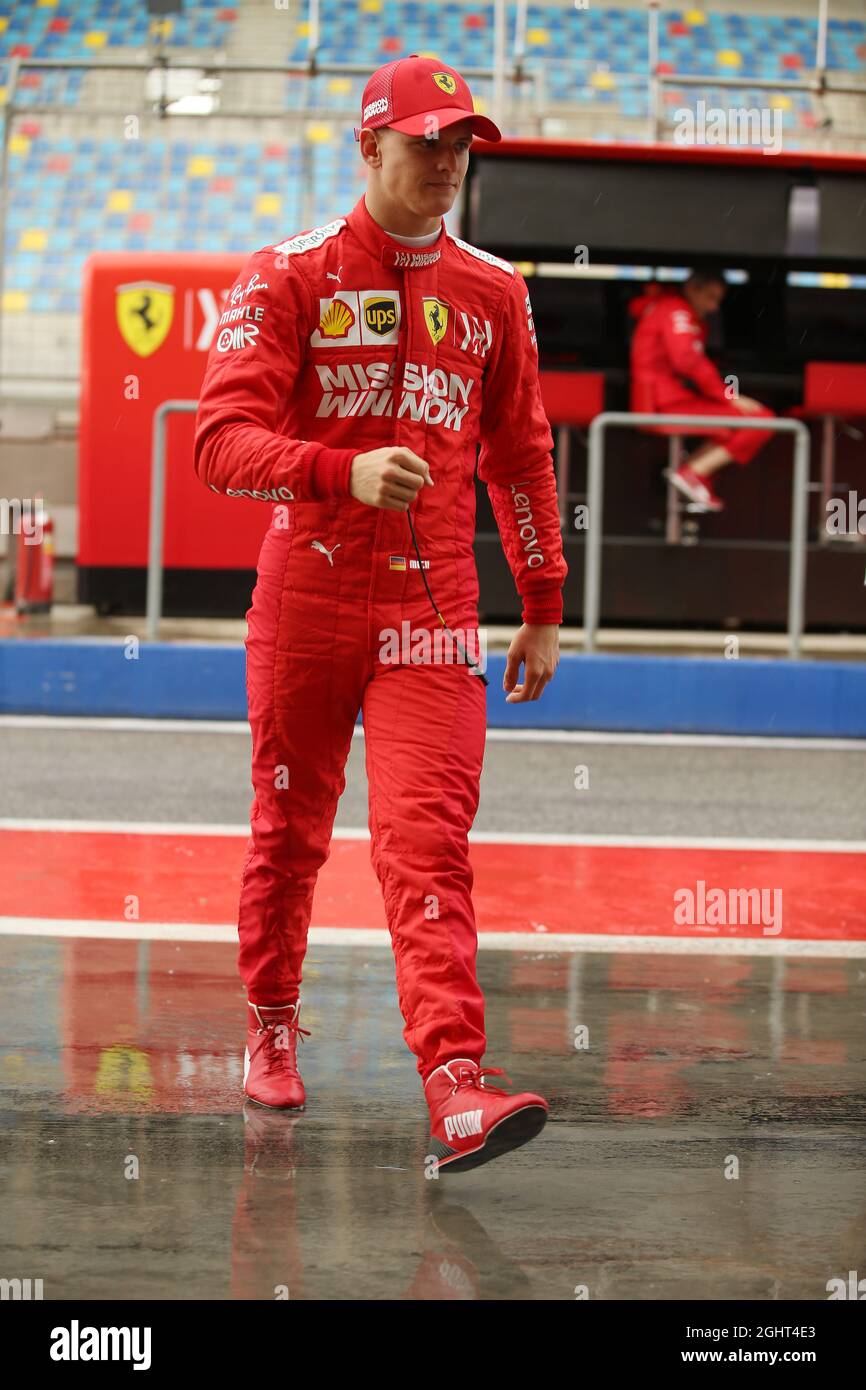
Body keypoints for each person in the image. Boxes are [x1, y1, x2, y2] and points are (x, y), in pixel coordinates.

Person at [193, 53, 568, 1173]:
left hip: (433, 612)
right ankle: (269, 1023)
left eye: (461, 146)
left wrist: (541, 603)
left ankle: (456, 1089)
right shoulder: (286, 274)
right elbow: (217, 444)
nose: (446, 164)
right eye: (424, 144)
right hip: (305, 600)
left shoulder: (494, 290)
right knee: (289, 836)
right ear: (369, 147)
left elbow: (522, 457)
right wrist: (333, 471)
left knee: (425, 847)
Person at [630, 270, 775, 512]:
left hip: (669, 399)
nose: (714, 306)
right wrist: (728, 395)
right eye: (710, 297)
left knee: (736, 429)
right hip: (664, 403)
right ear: (692, 289)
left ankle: (690, 474)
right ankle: (691, 473)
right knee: (761, 420)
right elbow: (687, 359)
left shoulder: (673, 309)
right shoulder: (675, 310)